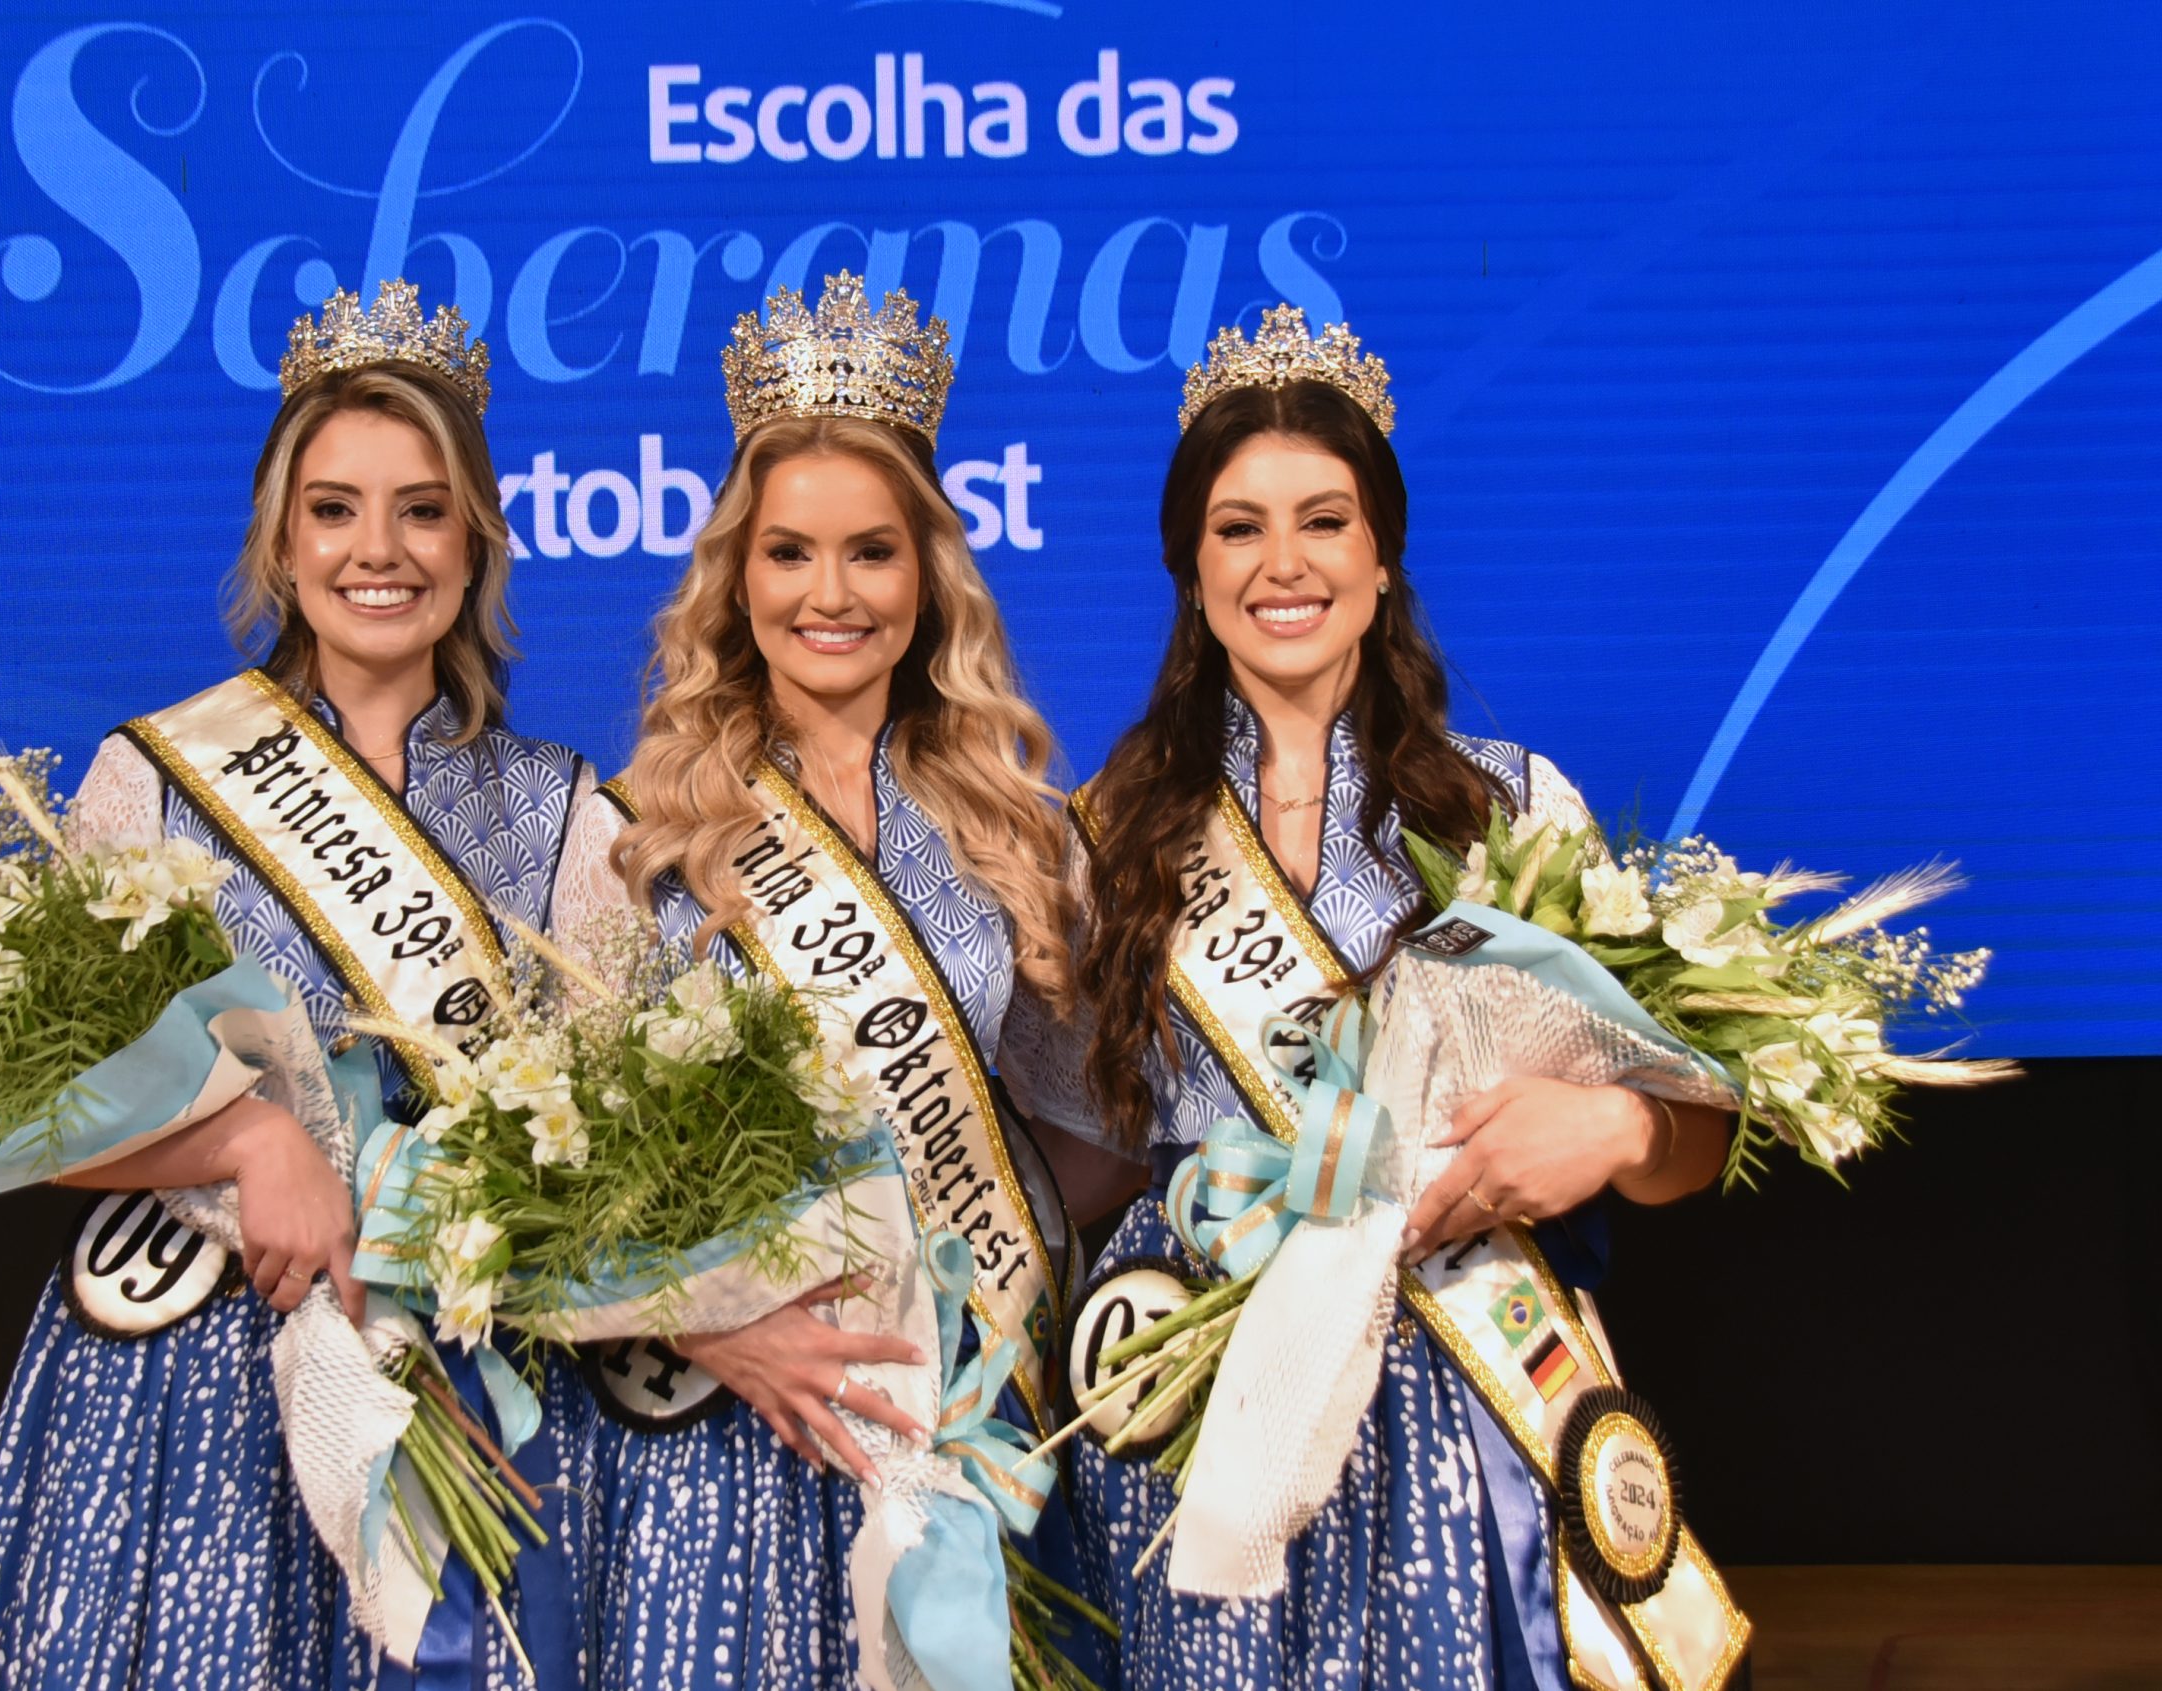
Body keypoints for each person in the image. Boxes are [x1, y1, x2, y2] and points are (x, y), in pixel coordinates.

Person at [1014, 308, 1747, 1691]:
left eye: (1323, 520)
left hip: (1456, 1392)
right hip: (1201, 1393)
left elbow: (1688, 1135)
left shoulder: (1513, 810)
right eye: (1238, 528)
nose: (1281, 564)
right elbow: (1092, 1157)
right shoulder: (1103, 838)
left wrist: (1613, 1136)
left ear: (1382, 550)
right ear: (1189, 563)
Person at [0, 281, 592, 1691]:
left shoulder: (565, 816)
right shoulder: (154, 780)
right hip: (187, 1394)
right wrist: (246, 1139)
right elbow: (8, 1108)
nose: (381, 550)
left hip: (447, 1388)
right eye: (336, 508)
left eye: (423, 508)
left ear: (474, 540)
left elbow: (592, 1147)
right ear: (281, 541)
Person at [543, 273, 1110, 1690]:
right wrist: (724, 1318)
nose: (831, 595)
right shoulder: (634, 837)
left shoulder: (1016, 831)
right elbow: (544, 1176)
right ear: (738, 575)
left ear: (931, 576)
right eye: (790, 553)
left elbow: (1075, 1139)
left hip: (958, 1409)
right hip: (737, 1426)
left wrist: (982, 1287)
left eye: (871, 553)